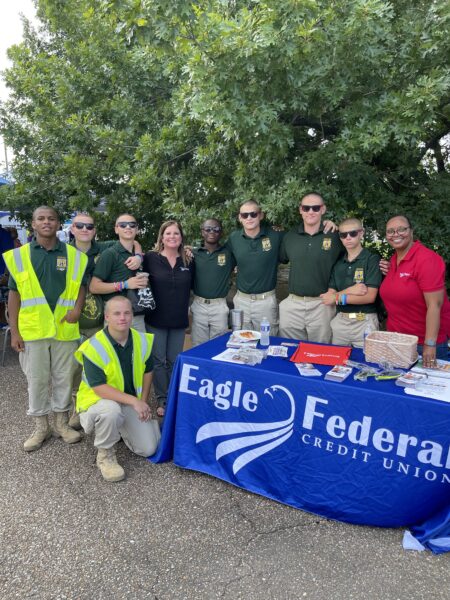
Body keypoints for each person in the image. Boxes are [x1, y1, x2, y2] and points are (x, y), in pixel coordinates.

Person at [3, 206, 87, 452]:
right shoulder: (20, 255)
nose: (46, 222)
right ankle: (41, 427)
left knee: (63, 378)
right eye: (41, 218)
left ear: (58, 223)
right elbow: (14, 294)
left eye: (51, 218)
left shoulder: (73, 255)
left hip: (65, 328)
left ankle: (61, 424)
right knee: (37, 380)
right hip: (33, 331)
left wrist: (78, 309)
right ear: (33, 224)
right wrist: (15, 332)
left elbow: (81, 286)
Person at [68, 212, 142, 429]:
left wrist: (139, 256)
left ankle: (103, 410)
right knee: (71, 370)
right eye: (79, 226)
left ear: (95, 230)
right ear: (72, 229)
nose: (84, 230)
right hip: (69, 319)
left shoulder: (103, 248)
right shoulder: (64, 252)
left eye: (89, 227)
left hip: (98, 319)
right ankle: (76, 408)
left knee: (97, 367)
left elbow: (132, 240)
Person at [75, 296, 160, 482]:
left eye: (127, 313)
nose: (122, 317)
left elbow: (148, 371)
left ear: (132, 315)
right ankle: (105, 455)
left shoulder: (141, 340)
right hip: (98, 403)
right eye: (116, 313)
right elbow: (99, 388)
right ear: (106, 317)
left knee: (149, 449)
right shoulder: (94, 347)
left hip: (128, 402)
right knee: (111, 411)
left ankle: (122, 428)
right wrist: (135, 401)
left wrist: (143, 402)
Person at [379, 215, 449, 367]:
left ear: (411, 232)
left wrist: (430, 344)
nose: (395, 234)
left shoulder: (427, 259)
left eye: (401, 229)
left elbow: (434, 306)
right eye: (390, 231)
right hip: (398, 341)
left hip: (423, 344)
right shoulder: (394, 260)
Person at [142, 220, 194, 417]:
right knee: (158, 361)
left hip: (178, 320)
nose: (172, 237)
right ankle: (162, 398)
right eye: (168, 233)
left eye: (176, 234)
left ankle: (174, 395)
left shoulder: (189, 261)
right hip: (155, 319)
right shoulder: (151, 258)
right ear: (161, 237)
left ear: (181, 238)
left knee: (174, 360)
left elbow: (193, 287)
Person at [279, 192, 343, 342]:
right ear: (300, 210)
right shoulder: (290, 236)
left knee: (320, 352)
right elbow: (279, 259)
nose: (311, 212)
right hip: (293, 304)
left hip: (322, 305)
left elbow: (350, 262)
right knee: (290, 350)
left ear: (323, 209)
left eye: (315, 208)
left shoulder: (336, 235)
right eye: (306, 208)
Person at [320, 218, 382, 347]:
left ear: (361, 233)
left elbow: (369, 297)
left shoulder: (372, 259)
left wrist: (337, 297)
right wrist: (350, 291)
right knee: (338, 362)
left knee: (366, 364)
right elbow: (329, 297)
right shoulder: (338, 263)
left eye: (352, 233)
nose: (348, 237)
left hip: (364, 321)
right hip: (341, 322)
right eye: (343, 235)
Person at [227, 200, 284, 334]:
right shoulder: (234, 238)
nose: (249, 218)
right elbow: (219, 256)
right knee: (241, 343)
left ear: (261, 215)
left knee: (268, 342)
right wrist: (189, 250)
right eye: (245, 215)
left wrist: (327, 224)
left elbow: (300, 238)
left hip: (266, 302)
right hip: (241, 301)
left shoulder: (275, 236)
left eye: (253, 214)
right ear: (240, 218)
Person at [90, 213, 147, 332]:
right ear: (116, 229)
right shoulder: (110, 254)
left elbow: (136, 244)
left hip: (137, 314)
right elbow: (94, 287)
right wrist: (125, 284)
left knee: (140, 349)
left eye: (132, 225)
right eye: (123, 225)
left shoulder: (138, 254)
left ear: (137, 229)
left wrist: (139, 257)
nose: (128, 227)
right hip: (116, 316)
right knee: (113, 350)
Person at [191, 218, 236, 346]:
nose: (212, 232)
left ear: (221, 232)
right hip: (199, 305)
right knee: (198, 346)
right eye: (208, 229)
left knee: (219, 345)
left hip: (219, 306)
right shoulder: (193, 254)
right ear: (202, 232)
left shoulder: (229, 253)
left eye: (216, 229)